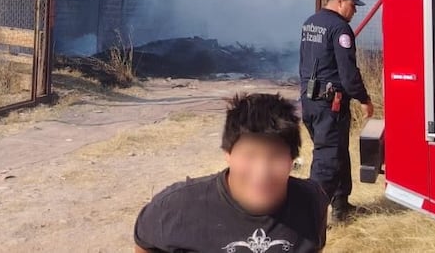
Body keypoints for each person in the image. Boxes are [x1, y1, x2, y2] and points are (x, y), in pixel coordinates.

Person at [133, 93, 328, 253]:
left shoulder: (311, 202)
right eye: (249, 155)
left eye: (276, 156)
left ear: (291, 159)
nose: (262, 172)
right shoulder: (176, 208)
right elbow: (145, 242)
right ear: (228, 154)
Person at [299, 0, 374, 223]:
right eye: (353, 6)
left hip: (310, 102)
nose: (355, 12)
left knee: (338, 152)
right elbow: (348, 72)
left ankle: (341, 207)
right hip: (329, 104)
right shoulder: (340, 28)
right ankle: (311, 217)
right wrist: (363, 98)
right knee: (328, 159)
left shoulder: (311, 22)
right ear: (340, 1)